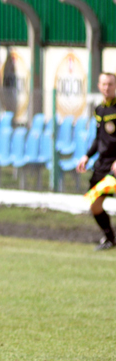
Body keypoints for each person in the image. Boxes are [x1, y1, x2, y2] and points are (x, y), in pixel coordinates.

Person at [76, 73, 116, 251]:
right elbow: (99, 138)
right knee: (94, 203)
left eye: (110, 84)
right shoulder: (99, 109)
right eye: (104, 84)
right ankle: (110, 239)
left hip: (115, 166)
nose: (107, 87)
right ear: (99, 86)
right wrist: (87, 156)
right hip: (102, 164)